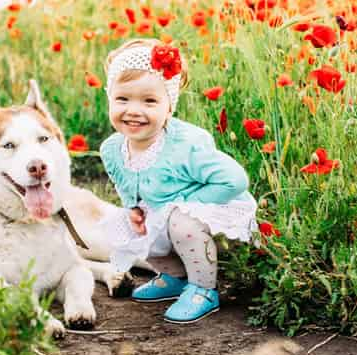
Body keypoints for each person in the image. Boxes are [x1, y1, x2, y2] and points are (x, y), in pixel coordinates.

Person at [98, 38, 259, 324]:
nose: (134, 110)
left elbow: (234, 181)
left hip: (210, 214)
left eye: (149, 101)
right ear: (109, 99)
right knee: (127, 224)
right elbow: (127, 190)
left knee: (178, 221)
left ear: (169, 107)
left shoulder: (186, 143)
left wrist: (184, 206)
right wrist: (133, 211)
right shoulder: (112, 149)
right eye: (123, 99)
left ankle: (203, 288)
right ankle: (175, 276)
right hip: (162, 213)